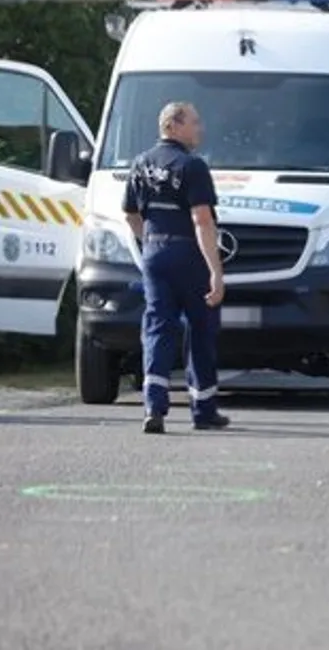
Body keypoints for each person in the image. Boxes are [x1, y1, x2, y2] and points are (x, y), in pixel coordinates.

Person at [122, 101, 231, 434]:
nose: (200, 129)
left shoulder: (139, 164)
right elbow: (202, 220)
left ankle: (154, 406)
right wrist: (216, 270)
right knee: (201, 327)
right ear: (172, 126)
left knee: (157, 326)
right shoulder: (192, 166)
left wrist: (151, 243)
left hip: (155, 253)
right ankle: (203, 409)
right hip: (188, 255)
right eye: (194, 122)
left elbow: (130, 214)